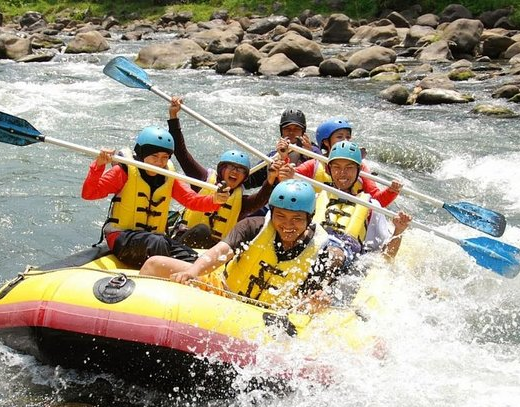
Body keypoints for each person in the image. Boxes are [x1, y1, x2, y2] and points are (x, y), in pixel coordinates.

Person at [140, 179, 348, 312]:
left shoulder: (320, 252)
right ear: (272, 214)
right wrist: (194, 271)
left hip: (269, 313)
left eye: (296, 219)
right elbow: (220, 251)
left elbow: (307, 300)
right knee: (154, 265)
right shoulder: (253, 226)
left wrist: (316, 304)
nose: (287, 225)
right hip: (224, 289)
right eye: (280, 216)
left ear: (309, 219)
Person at [81, 126, 230, 269]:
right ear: (142, 154)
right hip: (122, 237)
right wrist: (98, 165)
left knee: (194, 260)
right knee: (157, 242)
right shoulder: (124, 171)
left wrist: (215, 200)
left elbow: (192, 200)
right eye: (154, 157)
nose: (159, 162)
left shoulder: (168, 176)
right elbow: (89, 193)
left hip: (154, 240)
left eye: (165, 157)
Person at [166, 97, 289, 248]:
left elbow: (262, 198)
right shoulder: (202, 179)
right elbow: (181, 153)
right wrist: (173, 117)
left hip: (213, 253)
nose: (235, 172)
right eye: (231, 167)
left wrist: (272, 178)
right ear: (221, 170)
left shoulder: (241, 203)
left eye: (240, 170)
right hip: (184, 242)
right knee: (202, 231)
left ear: (245, 177)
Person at [314, 140, 412, 265]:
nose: (342, 173)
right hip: (316, 248)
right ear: (329, 169)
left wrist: (399, 230)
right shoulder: (316, 198)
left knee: (333, 256)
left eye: (349, 168)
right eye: (336, 167)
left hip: (345, 256)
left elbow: (385, 257)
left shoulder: (371, 206)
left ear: (358, 170)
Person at [288, 117, 401, 208]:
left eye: (348, 137)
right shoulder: (315, 164)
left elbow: (377, 202)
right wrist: (285, 162)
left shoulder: (360, 167)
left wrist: (391, 191)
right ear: (326, 142)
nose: (345, 141)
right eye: (340, 137)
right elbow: (288, 181)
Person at [244, 107, 320, 189]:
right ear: (282, 132)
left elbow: (325, 173)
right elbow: (250, 180)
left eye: (296, 129)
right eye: (287, 129)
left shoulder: (313, 151)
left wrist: (309, 155)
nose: (291, 132)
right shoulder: (273, 157)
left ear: (303, 132)